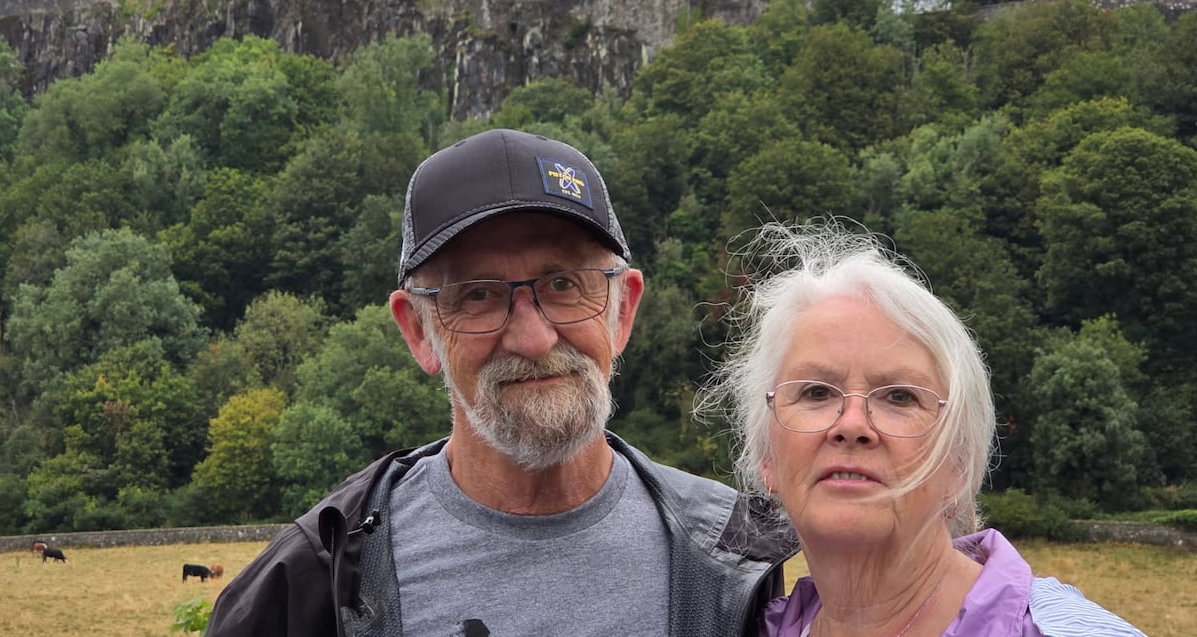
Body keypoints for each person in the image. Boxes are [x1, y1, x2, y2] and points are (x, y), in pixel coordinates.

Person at [207, 128, 797, 636]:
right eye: (479, 295)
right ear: (418, 330)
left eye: (564, 284)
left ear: (621, 311)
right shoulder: (314, 580)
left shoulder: (730, 557)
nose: (534, 339)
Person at [704, 220, 1145, 637]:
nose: (852, 425)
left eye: (899, 397)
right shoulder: (740, 627)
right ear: (767, 458)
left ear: (958, 464)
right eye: (816, 392)